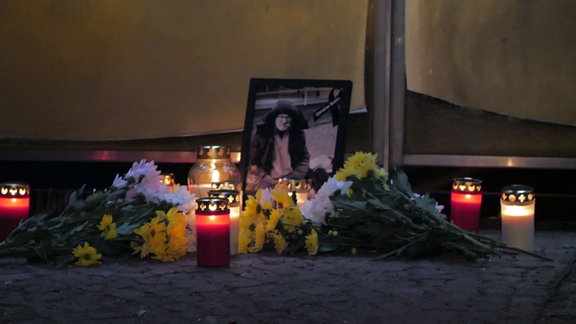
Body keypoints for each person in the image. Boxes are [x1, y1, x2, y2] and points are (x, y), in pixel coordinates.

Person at [247, 100, 310, 192]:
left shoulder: (297, 135)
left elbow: (304, 159)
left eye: (288, 118)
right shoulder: (262, 134)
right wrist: (264, 176)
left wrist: (294, 176)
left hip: (290, 180)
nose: (284, 121)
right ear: (274, 118)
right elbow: (252, 161)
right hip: (267, 180)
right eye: (281, 117)